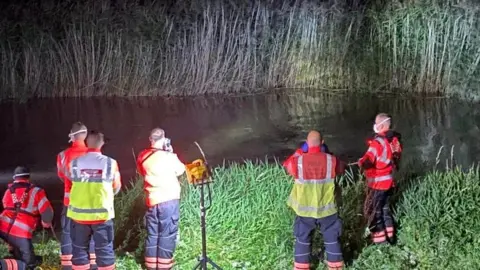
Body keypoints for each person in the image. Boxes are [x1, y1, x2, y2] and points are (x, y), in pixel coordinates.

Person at [283, 130, 346, 270]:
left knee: (303, 238)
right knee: (331, 237)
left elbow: (287, 166)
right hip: (327, 208)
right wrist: (328, 154)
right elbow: (342, 168)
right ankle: (335, 266)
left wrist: (299, 152)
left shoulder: (298, 161)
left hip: (304, 209)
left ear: (306, 143)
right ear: (322, 143)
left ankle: (301, 267)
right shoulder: (331, 160)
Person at [67, 131, 121, 270]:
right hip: (102, 217)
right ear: (102, 143)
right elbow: (116, 187)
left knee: (79, 251)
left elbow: (69, 185)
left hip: (79, 217)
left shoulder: (74, 164)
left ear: (86, 142)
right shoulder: (110, 163)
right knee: (104, 251)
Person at [136, 128, 186, 270]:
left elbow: (141, 171)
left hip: (151, 200)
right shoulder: (169, 157)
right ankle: (163, 266)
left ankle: (151, 266)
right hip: (169, 199)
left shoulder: (142, 156)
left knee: (152, 232)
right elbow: (181, 170)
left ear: (150, 139)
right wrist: (170, 152)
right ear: (164, 139)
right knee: (167, 233)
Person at [56, 122, 97, 270]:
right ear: (85, 136)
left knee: (67, 232)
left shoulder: (62, 156)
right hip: (90, 202)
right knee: (90, 231)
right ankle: (92, 263)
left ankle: (67, 264)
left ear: (72, 136)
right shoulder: (93, 154)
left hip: (70, 201)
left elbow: (62, 176)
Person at [358, 113, 402, 244]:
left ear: (382, 125)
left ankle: (380, 242)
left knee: (374, 212)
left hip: (378, 184)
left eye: (376, 123)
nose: (374, 126)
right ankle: (391, 237)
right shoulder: (395, 141)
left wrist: (361, 162)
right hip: (389, 182)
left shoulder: (377, 143)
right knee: (385, 210)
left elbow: (368, 160)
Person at [0, 166, 54, 269]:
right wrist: (46, 222)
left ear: (14, 178)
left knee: (16, 248)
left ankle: (13, 254)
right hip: (21, 231)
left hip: (3, 227)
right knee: (29, 262)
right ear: (28, 177)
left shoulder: (8, 191)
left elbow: (6, 205)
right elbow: (47, 211)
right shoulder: (37, 191)